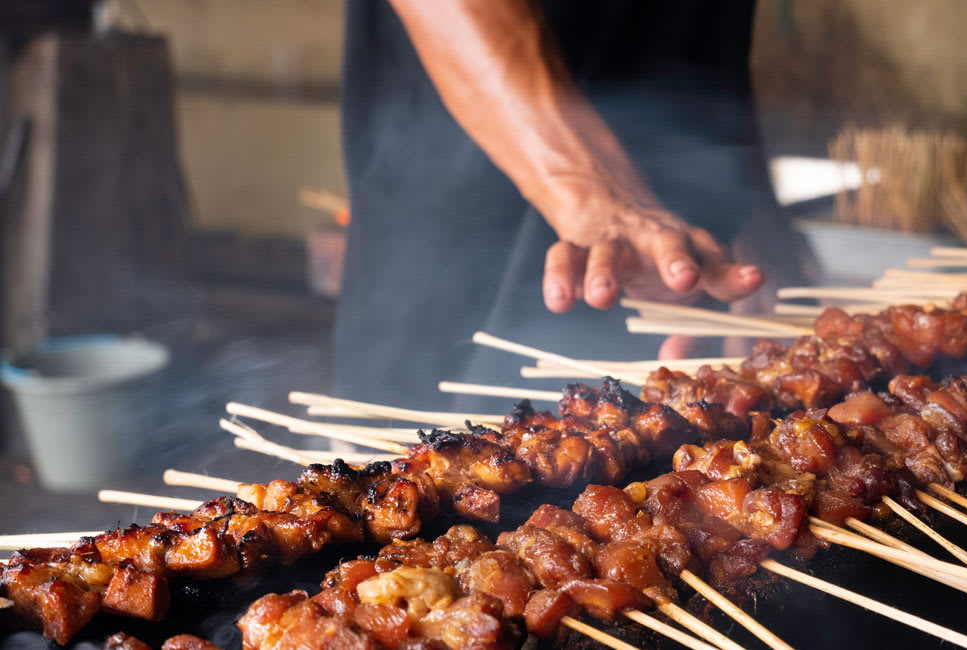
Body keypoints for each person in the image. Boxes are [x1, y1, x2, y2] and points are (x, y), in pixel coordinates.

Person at [336, 0, 806, 410]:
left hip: (677, 273)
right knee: (421, 486)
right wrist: (595, 197)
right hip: (458, 267)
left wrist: (753, 220)